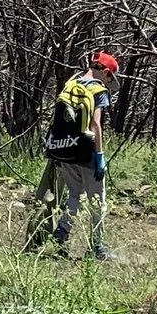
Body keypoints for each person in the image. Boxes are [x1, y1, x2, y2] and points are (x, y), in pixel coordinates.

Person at [41, 51, 119, 258]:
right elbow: (95, 124)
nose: (109, 81)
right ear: (106, 72)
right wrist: (100, 155)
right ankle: (97, 247)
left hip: (65, 149)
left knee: (75, 195)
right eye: (110, 77)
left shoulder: (71, 84)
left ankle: (61, 233)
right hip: (86, 151)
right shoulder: (98, 90)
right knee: (98, 200)